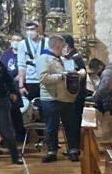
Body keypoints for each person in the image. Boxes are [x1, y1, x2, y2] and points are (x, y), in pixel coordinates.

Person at [38, 34, 84, 163]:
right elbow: (43, 78)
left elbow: (71, 73)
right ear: (57, 45)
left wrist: (79, 74)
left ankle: (73, 150)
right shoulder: (44, 58)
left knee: (70, 125)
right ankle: (52, 151)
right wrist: (61, 76)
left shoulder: (63, 59)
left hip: (67, 97)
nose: (65, 48)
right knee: (52, 126)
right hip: (51, 98)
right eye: (63, 46)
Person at [16, 21, 47, 101]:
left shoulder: (46, 42)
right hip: (30, 81)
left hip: (44, 80)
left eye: (32, 29)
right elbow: (21, 65)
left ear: (38, 29)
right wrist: (21, 86)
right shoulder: (22, 44)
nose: (30, 32)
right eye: (28, 30)